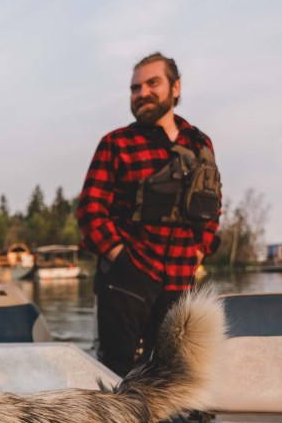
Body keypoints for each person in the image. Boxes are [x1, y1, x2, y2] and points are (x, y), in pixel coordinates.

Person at [77, 52, 221, 377]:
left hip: (181, 282)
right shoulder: (116, 144)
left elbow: (214, 207)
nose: (142, 93)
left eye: (152, 83)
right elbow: (90, 212)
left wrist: (199, 252)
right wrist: (123, 260)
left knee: (175, 376)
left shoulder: (201, 144)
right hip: (127, 282)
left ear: (175, 87)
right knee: (117, 376)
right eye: (135, 87)